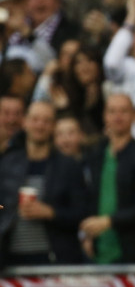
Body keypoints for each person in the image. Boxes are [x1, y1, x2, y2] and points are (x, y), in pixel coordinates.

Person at [0, 100, 87, 266]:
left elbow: (82, 213)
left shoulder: (69, 166)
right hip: (10, 261)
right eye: (35, 119)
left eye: (46, 121)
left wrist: (51, 213)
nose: (40, 125)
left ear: (54, 126)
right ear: (24, 122)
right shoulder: (7, 164)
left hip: (55, 260)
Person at [80, 93, 135, 263]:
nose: (117, 117)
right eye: (112, 111)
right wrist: (87, 235)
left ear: (134, 116)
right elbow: (90, 199)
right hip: (98, 251)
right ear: (104, 116)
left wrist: (109, 221)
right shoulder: (96, 156)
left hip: (133, 254)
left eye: (123, 111)